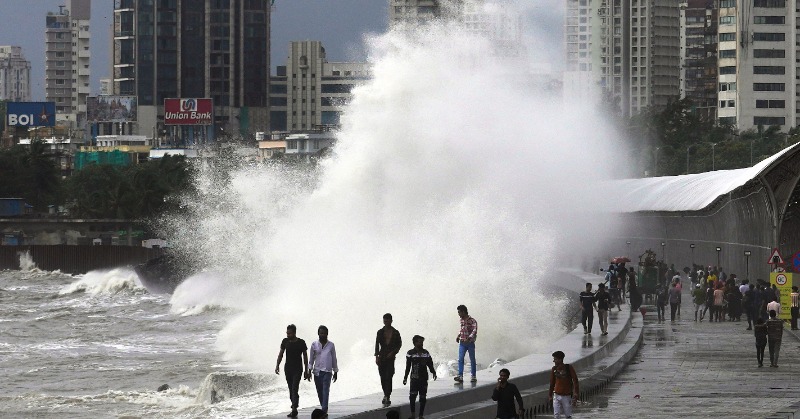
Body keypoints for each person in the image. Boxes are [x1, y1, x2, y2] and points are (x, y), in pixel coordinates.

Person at [275, 324, 309, 418]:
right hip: (288, 369)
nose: (288, 335)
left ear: (294, 333)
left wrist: (306, 370)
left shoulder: (301, 342)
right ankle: (294, 406)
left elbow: (305, 357)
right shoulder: (285, 341)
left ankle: (294, 408)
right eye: (287, 333)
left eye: (289, 333)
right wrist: (277, 365)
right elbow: (281, 354)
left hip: (298, 369)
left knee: (294, 388)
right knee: (291, 389)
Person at [403, 335, 437, 419]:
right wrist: (405, 377)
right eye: (419, 342)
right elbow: (408, 366)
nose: (421, 343)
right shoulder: (410, 353)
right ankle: (413, 414)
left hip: (424, 378)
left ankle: (421, 415)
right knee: (412, 396)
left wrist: (433, 372)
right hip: (414, 378)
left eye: (422, 342)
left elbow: (430, 364)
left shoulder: (426, 353)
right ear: (414, 343)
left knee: (423, 397)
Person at [308, 325, 338, 413]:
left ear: (327, 334)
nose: (323, 335)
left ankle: (324, 410)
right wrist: (309, 371)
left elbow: (334, 358)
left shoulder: (331, 345)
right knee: (320, 392)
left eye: (325, 333)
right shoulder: (314, 344)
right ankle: (323, 408)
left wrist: (335, 371)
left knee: (325, 391)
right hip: (317, 372)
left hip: (327, 372)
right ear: (318, 334)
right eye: (321, 333)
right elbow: (311, 358)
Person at [375, 313, 402, 407]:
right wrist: (377, 356)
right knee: (382, 376)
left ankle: (387, 395)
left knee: (389, 376)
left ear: (391, 321)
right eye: (384, 320)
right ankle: (385, 394)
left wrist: (393, 352)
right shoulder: (380, 332)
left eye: (387, 320)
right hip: (382, 356)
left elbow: (399, 344)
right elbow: (377, 344)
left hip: (390, 358)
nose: (386, 322)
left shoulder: (395, 332)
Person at [548, 351, 579, 419]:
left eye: (555, 359)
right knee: (556, 415)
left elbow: (575, 381)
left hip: (566, 396)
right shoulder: (554, 369)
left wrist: (576, 393)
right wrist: (550, 395)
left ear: (560, 359)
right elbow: (552, 383)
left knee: (568, 415)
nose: (554, 361)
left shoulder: (568, 368)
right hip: (556, 396)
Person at [454, 304, 478, 383]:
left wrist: (469, 338)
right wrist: (458, 335)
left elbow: (474, 330)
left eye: (459, 312)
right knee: (460, 359)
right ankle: (460, 376)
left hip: (470, 343)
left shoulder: (472, 320)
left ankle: (473, 376)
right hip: (462, 343)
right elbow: (462, 329)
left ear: (463, 312)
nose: (458, 314)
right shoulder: (461, 320)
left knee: (472, 360)